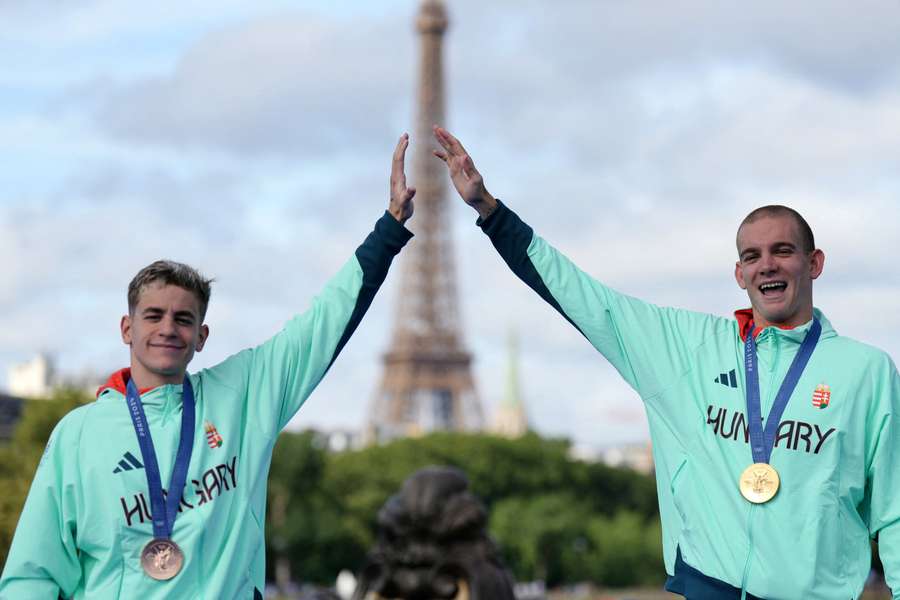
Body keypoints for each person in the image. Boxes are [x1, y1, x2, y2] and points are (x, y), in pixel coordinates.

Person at [432, 126, 899, 599]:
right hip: (706, 588)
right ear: (740, 274)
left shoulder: (867, 372)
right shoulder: (685, 347)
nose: (768, 265)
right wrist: (490, 211)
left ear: (814, 262)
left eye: (783, 251)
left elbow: (895, 511)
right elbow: (582, 298)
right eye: (752, 256)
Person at [0, 135, 418, 599]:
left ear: (201, 337)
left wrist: (391, 228)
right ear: (126, 329)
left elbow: (322, 324)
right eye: (153, 316)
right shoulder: (77, 434)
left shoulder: (241, 396)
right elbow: (33, 572)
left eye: (183, 319)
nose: (167, 329)